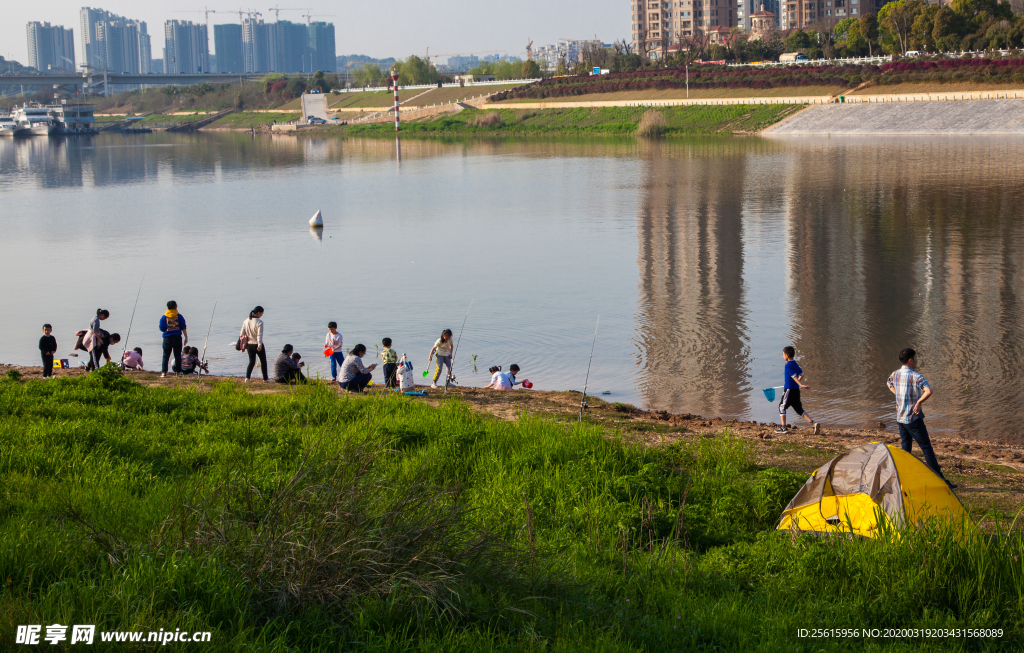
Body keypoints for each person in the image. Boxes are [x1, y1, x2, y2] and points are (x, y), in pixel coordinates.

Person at [887, 348, 956, 489]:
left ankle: (903, 478)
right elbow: (929, 391)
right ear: (911, 360)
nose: (917, 361)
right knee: (926, 448)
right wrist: (918, 402)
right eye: (916, 358)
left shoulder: (895, 374)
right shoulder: (915, 376)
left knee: (906, 449)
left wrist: (898, 396)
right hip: (913, 419)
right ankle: (940, 481)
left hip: (900, 418)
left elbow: (889, 383)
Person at [776, 346, 819, 435]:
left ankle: (784, 428)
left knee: (781, 407)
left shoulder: (788, 365)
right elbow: (802, 373)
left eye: (783, 354)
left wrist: (800, 384)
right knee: (799, 409)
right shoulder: (795, 364)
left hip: (789, 390)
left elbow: (793, 376)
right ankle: (813, 423)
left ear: (787, 355)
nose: (783, 356)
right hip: (796, 391)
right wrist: (798, 383)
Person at [159, 300, 188, 378]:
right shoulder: (179, 316)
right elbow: (183, 327)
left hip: (167, 338)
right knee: (177, 355)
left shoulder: (164, 317)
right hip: (177, 338)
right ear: (176, 306)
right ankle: (178, 372)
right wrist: (186, 338)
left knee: (165, 356)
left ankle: (164, 372)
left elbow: (161, 328)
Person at [241, 306, 267, 383]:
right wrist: (259, 345)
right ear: (258, 313)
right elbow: (259, 335)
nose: (262, 315)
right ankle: (265, 379)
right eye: (261, 313)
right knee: (263, 361)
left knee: (251, 362)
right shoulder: (260, 322)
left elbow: (242, 333)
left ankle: (247, 378)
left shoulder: (246, 321)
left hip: (249, 344)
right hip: (257, 344)